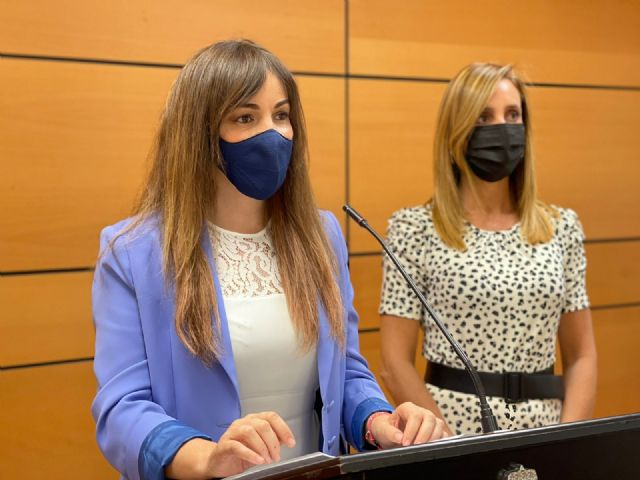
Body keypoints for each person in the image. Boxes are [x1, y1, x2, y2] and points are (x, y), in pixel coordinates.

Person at [91, 39, 446, 480]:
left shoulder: (321, 236)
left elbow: (347, 372)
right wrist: (207, 457)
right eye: (245, 117)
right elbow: (122, 409)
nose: (272, 133)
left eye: (281, 115)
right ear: (199, 134)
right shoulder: (132, 253)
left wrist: (378, 421)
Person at [378, 63, 597, 436]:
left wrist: (566, 442)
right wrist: (449, 448)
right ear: (457, 131)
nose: (501, 128)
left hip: (544, 432)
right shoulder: (413, 229)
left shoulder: (562, 227)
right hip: (450, 432)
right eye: (483, 117)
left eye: (512, 115)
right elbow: (394, 363)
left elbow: (582, 356)